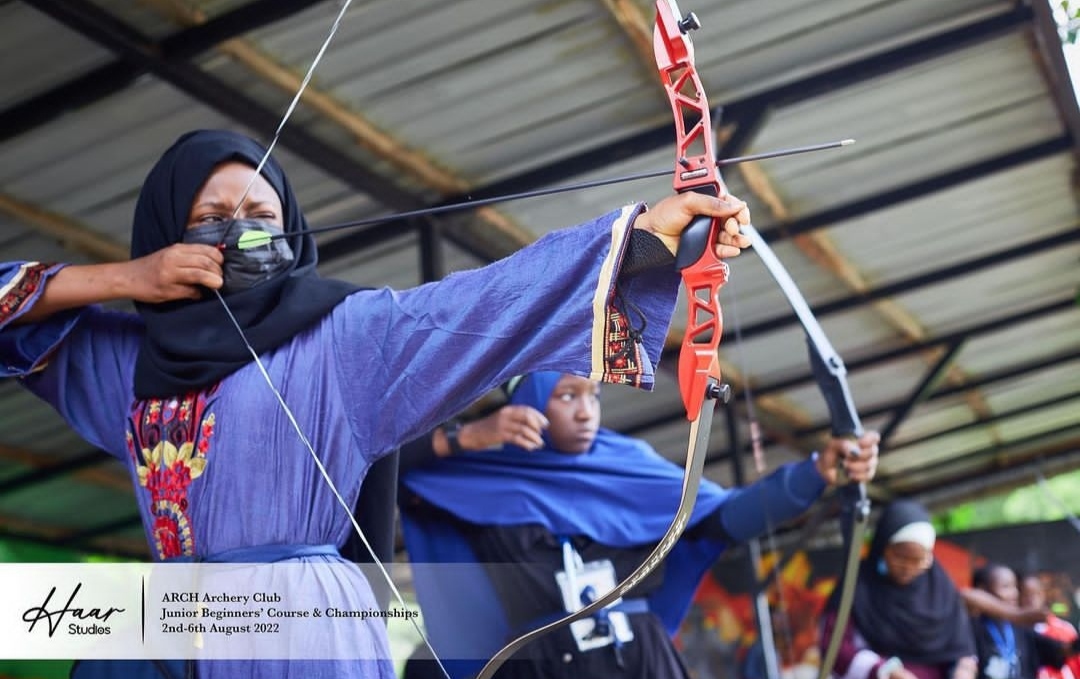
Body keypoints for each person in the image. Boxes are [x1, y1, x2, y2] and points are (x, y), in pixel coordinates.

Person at [0, 129, 753, 679]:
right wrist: (125, 279)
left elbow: (484, 306)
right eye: (211, 216)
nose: (241, 228)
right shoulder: (126, 361)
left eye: (261, 212)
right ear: (165, 233)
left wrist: (650, 237)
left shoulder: (344, 335)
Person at [398, 370, 880, 679]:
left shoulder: (629, 465)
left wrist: (816, 472)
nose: (587, 410)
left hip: (641, 660)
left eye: (594, 394)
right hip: (543, 666)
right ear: (529, 401)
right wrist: (465, 438)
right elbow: (372, 467)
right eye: (567, 395)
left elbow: (726, 518)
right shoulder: (478, 473)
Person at [819, 499, 978, 679]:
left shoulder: (941, 589)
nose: (908, 568)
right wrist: (885, 671)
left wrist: (963, 671)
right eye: (900, 557)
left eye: (919, 560)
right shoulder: (856, 584)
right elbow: (833, 646)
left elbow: (962, 649)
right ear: (882, 547)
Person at [970, 564, 1079, 679]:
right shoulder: (970, 627)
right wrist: (1015, 615)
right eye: (1006, 587)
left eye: (1015, 587)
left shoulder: (1021, 629)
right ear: (982, 589)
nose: (1014, 594)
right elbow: (966, 596)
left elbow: (1064, 650)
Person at [1021, 573, 1080, 679]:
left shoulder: (1064, 629)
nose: (1031, 599)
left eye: (1036, 593)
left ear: (1044, 595)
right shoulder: (1014, 631)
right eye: (1025, 594)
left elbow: (1075, 664)